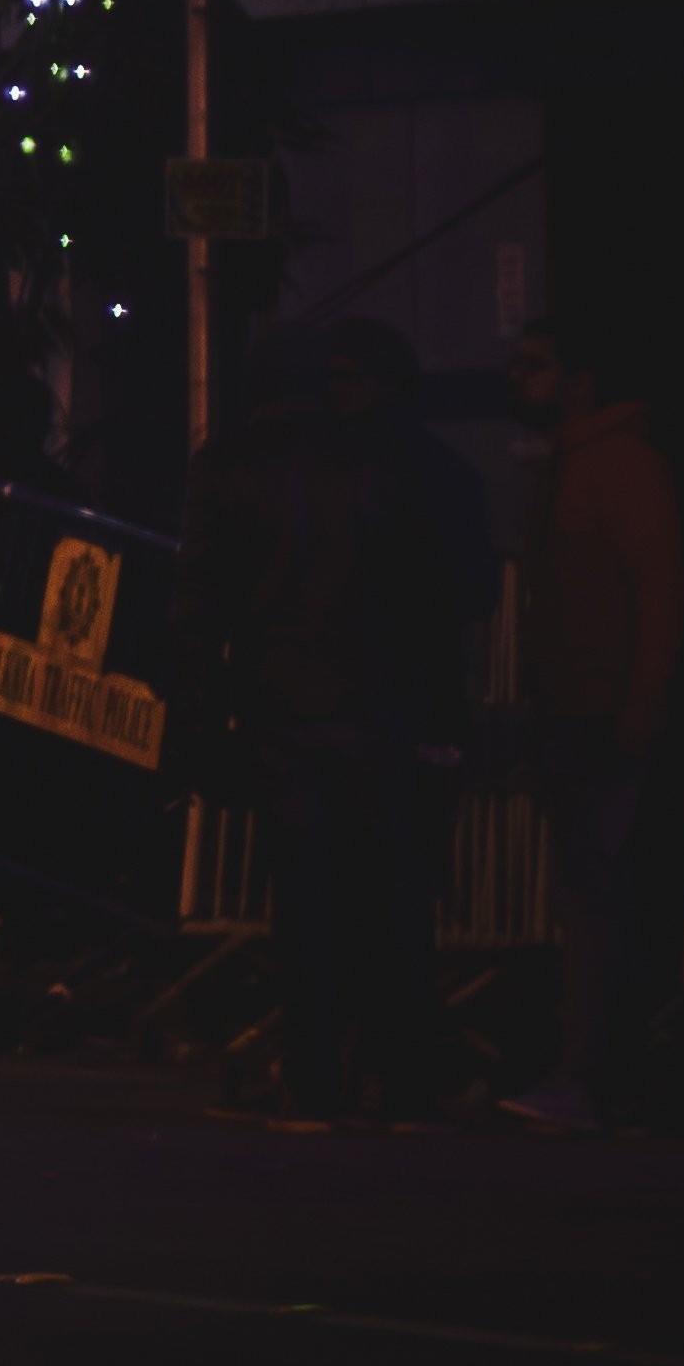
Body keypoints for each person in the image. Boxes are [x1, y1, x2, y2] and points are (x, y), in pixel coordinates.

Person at [195, 321, 488, 1125]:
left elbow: (199, 606)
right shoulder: (383, 468)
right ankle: (397, 1072)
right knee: (391, 897)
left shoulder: (234, 470)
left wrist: (201, 722)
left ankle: (317, 1070)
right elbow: (447, 593)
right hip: (383, 709)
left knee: (305, 901)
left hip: (284, 710)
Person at [499, 317, 684, 1137]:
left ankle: (594, 1074)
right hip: (578, 712)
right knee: (590, 894)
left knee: (595, 895)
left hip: (598, 713)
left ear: (579, 380)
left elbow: (660, 592)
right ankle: (598, 1071)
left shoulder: (616, 467)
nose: (518, 381)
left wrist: (639, 707)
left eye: (536, 367)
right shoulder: (582, 465)